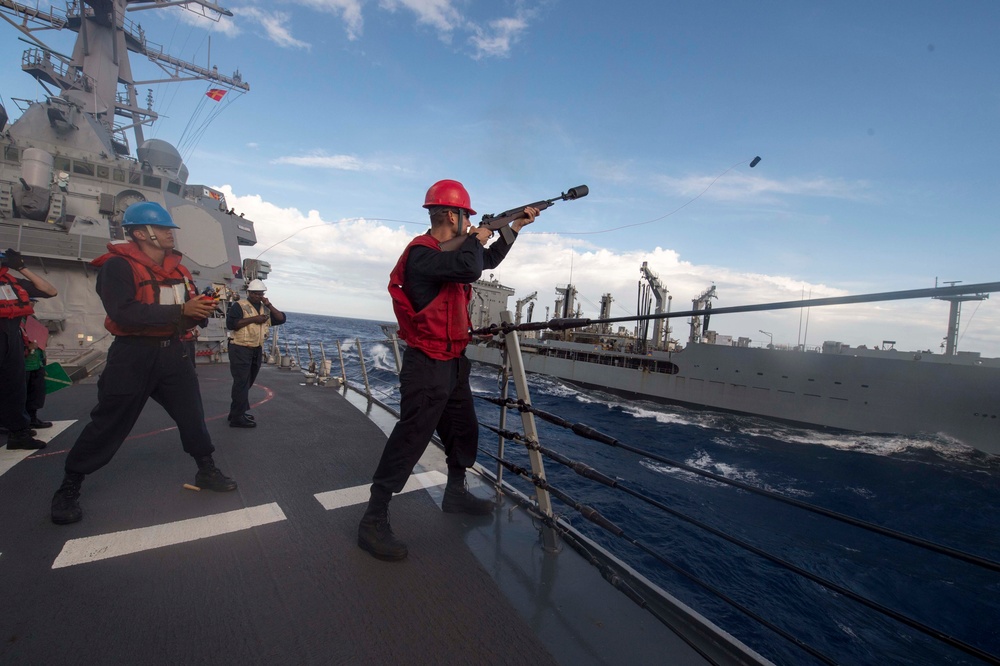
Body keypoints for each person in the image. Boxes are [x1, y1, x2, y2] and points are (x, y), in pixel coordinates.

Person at [357, 179, 539, 561]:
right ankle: (373, 519)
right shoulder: (422, 254)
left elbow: (485, 261)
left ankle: (455, 494)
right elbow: (471, 266)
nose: (469, 223)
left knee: (463, 430)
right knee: (411, 437)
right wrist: (480, 235)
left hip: (453, 360)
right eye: (466, 217)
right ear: (453, 216)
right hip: (427, 362)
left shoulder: (453, 254)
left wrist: (514, 228)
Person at [50, 202, 236, 525]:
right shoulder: (117, 267)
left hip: (174, 353)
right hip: (132, 355)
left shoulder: (180, 271)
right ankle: (69, 485)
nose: (170, 234)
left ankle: (206, 469)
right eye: (163, 229)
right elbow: (123, 313)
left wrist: (201, 310)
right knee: (109, 422)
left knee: (192, 415)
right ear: (140, 233)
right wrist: (182, 311)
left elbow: (188, 310)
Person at [1, 249, 57, 450]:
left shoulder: (11, 283)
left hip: (11, 335)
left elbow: (50, 291)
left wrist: (21, 267)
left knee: (15, 387)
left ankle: (19, 433)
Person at [225, 278, 285, 427]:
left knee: (248, 382)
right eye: (255, 293)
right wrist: (254, 319)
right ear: (249, 293)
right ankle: (237, 418)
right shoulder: (239, 306)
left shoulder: (264, 309)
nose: (258, 296)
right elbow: (232, 324)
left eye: (261, 293)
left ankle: (236, 412)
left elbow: (281, 318)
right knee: (241, 383)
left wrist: (268, 304)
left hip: (256, 349)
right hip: (240, 348)